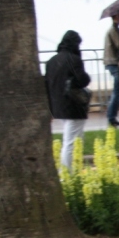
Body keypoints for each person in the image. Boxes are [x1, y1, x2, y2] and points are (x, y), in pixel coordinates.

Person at [46, 30, 91, 169]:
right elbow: (83, 80)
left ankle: (75, 168)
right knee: (71, 142)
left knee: (76, 139)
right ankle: (66, 174)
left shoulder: (51, 61)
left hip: (58, 105)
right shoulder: (73, 59)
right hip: (74, 105)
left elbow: (47, 85)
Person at [102, 11, 119, 127]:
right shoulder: (113, 31)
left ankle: (116, 116)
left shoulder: (116, 30)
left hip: (114, 63)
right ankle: (111, 117)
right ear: (115, 17)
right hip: (113, 63)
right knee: (117, 91)